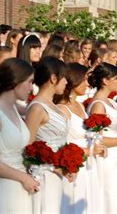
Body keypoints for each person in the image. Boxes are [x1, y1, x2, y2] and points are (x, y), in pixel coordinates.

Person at [0, 58, 39, 213]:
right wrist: (23, 177)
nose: (31, 88)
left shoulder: (14, 108)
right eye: (29, 82)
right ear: (16, 82)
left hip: (21, 187)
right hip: (4, 188)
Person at [56, 63, 106, 213]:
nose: (87, 84)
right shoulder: (62, 109)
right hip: (74, 164)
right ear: (73, 80)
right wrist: (88, 151)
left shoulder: (80, 105)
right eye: (83, 80)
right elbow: (61, 144)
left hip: (89, 164)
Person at [25, 56, 70, 213]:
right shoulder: (37, 108)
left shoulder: (54, 106)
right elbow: (28, 148)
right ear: (53, 78)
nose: (66, 83)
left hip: (59, 174)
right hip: (45, 174)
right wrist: (53, 166)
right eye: (64, 78)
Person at [87, 63, 117, 213]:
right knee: (109, 194)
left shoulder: (111, 102)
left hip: (116, 154)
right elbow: (95, 139)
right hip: (106, 154)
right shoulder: (98, 105)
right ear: (105, 81)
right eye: (115, 78)